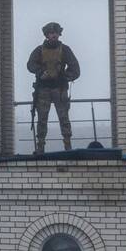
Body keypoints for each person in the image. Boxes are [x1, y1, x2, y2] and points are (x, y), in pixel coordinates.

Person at [26, 22, 81, 155]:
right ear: (46, 35)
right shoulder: (39, 50)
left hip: (59, 88)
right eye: (50, 33)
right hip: (43, 89)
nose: (53, 35)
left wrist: (64, 77)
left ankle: (68, 147)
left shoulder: (65, 49)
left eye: (55, 33)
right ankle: (40, 148)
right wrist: (40, 73)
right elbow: (30, 64)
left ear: (59, 34)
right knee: (42, 119)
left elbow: (75, 69)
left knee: (64, 119)